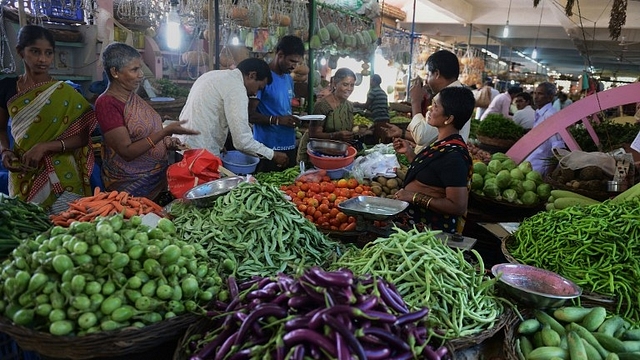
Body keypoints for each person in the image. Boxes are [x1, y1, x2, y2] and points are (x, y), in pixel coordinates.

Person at [0, 25, 97, 208]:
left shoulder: (65, 92)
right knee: (27, 226)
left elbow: (83, 136)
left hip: (64, 172)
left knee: (67, 227)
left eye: (48, 53)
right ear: (20, 51)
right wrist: (5, 151)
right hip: (24, 170)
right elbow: (0, 129)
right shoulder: (6, 88)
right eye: (35, 52)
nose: (42, 59)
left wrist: (45, 147)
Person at [94, 42, 200, 201]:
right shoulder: (107, 103)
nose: (141, 74)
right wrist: (165, 131)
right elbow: (127, 152)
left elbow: (147, 134)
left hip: (156, 180)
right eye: (134, 70)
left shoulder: (133, 98)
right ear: (115, 72)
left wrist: (168, 142)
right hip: (130, 186)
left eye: (140, 68)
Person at [392, 87, 474, 234]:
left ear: (448, 118)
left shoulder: (454, 156)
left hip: (430, 232)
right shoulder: (443, 143)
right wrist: (410, 154)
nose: (430, 108)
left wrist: (413, 196)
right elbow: (432, 174)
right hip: (415, 225)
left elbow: (458, 206)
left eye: (435, 106)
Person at [177, 58, 288, 166]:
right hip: (198, 156)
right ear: (252, 75)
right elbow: (242, 142)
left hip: (180, 146)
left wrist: (218, 140)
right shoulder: (237, 89)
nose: (255, 93)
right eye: (259, 87)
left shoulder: (212, 75)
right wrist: (272, 155)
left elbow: (205, 113)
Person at [382, 50, 470, 153]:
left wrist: (415, 101)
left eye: (428, 75)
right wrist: (401, 133)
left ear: (436, 74)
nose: (426, 81)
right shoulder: (453, 95)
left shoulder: (451, 99)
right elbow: (430, 136)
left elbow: (422, 136)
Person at [249, 35, 305, 172]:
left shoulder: (288, 78)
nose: (294, 66)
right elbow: (250, 115)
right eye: (292, 61)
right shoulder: (263, 77)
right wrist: (277, 120)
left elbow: (282, 108)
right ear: (280, 55)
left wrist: (297, 117)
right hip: (268, 149)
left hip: (289, 144)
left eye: (297, 63)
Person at [297, 68, 370, 163]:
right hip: (320, 155)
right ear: (335, 84)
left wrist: (358, 131)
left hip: (340, 154)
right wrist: (335, 135)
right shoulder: (322, 106)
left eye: (352, 85)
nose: (349, 89)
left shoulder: (349, 106)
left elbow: (346, 128)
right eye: (345, 84)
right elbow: (313, 134)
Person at [525, 82, 564, 176]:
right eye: (535, 93)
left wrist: (549, 175)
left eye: (540, 94)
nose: (536, 97)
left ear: (550, 97)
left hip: (540, 168)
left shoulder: (550, 115)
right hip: (531, 163)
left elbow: (557, 147)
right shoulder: (539, 112)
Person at [359, 74, 390, 143]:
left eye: (371, 80)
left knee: (377, 141)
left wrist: (356, 104)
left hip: (379, 120)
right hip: (386, 120)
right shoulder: (383, 92)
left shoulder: (373, 92)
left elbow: (366, 105)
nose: (370, 82)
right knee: (384, 140)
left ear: (375, 81)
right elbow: (378, 106)